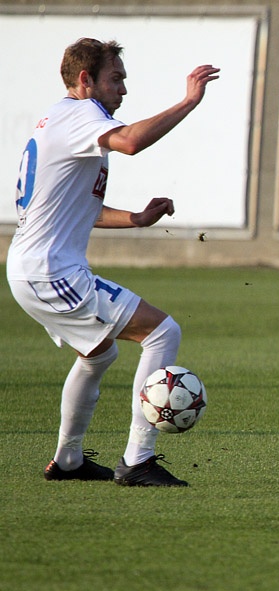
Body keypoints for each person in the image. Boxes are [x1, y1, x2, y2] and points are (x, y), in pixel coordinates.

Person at [7, 38, 219, 486]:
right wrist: (188, 101)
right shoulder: (81, 114)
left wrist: (137, 219)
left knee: (98, 354)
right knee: (163, 330)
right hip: (51, 271)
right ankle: (138, 461)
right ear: (85, 80)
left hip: (32, 268)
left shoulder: (57, 121)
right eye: (115, 78)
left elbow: (75, 207)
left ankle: (68, 461)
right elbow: (130, 142)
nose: (123, 89)